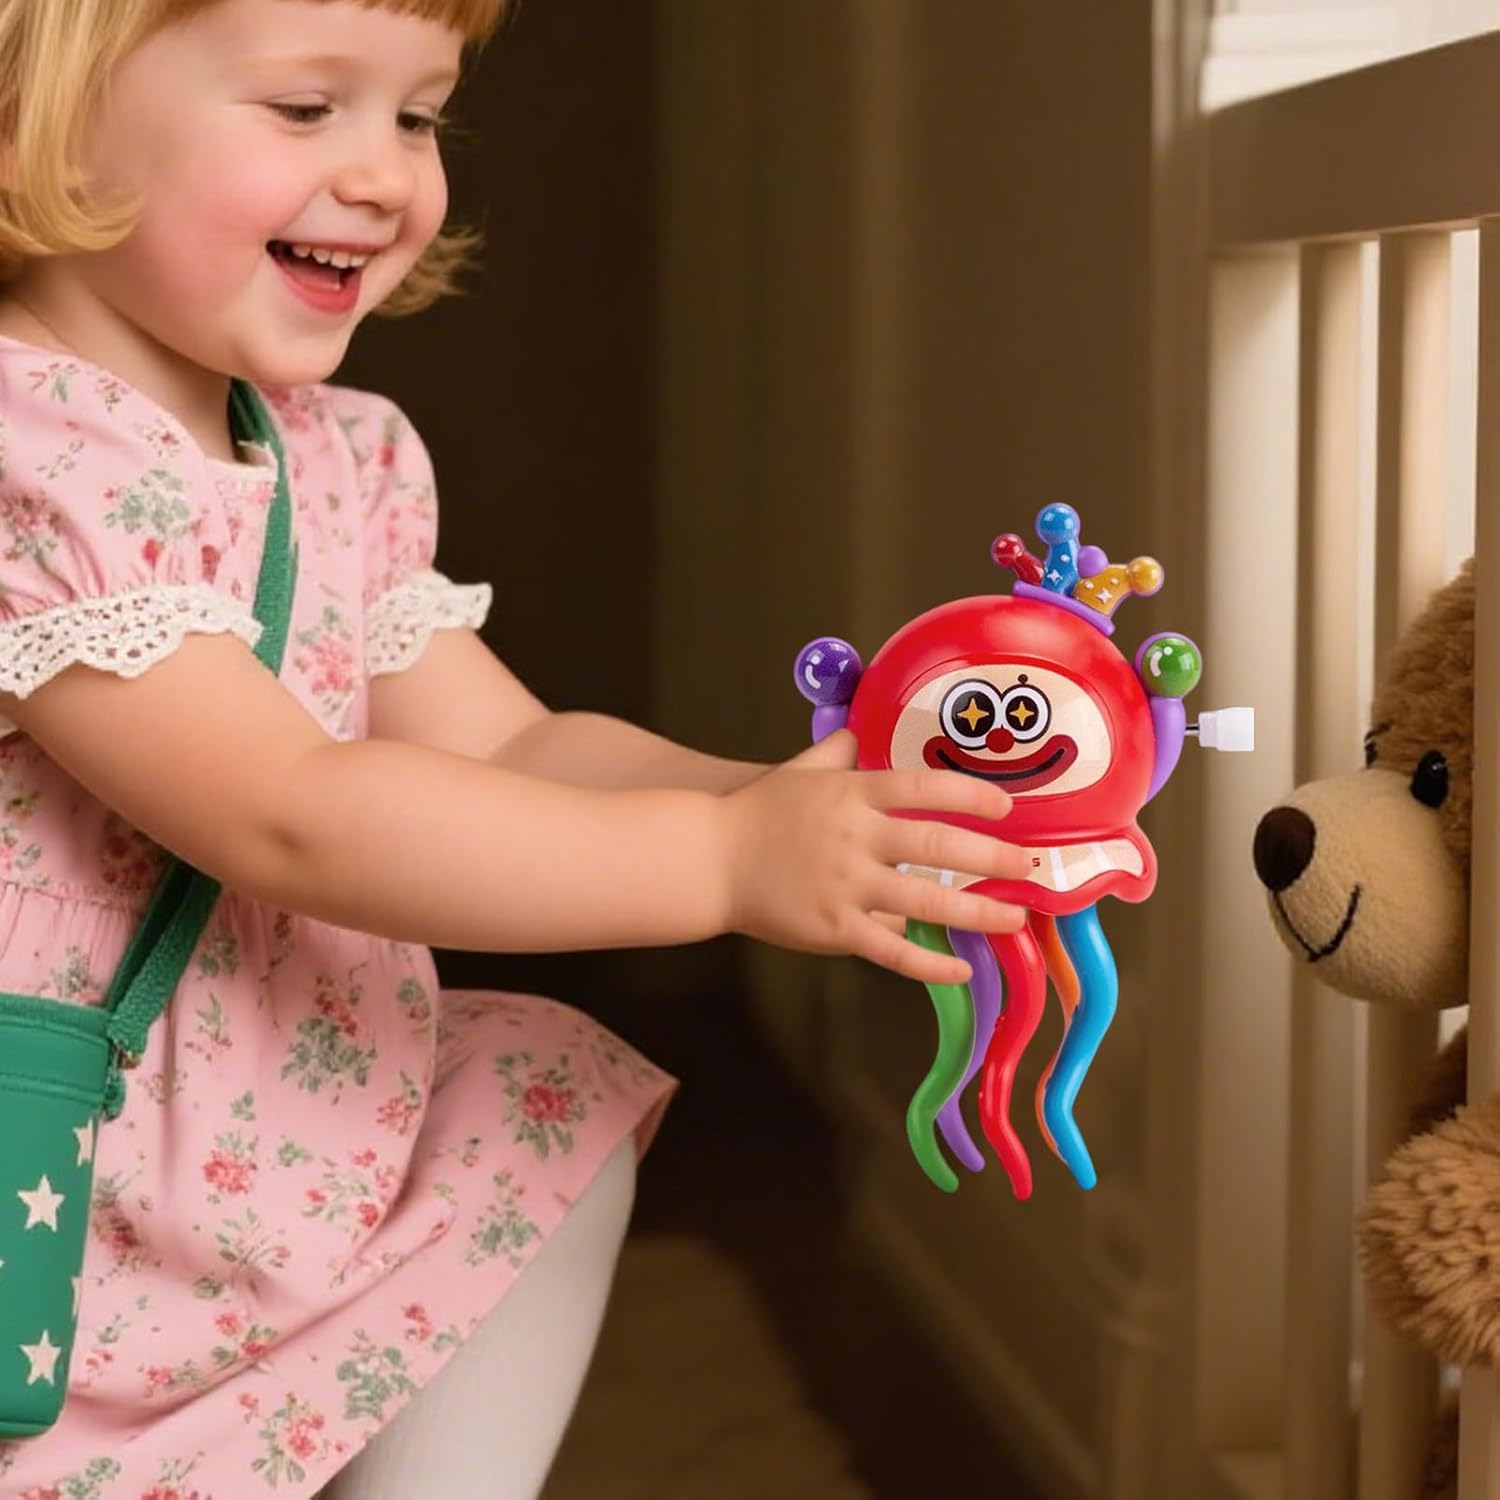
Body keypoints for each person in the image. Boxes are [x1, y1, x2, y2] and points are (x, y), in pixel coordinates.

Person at [0, 1, 1029, 1495]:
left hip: (261, 1142)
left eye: (418, 115)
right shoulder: (31, 456)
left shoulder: (331, 455)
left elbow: (518, 744)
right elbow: (287, 813)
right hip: (58, 1162)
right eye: (305, 108)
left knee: (539, 1097)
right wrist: (720, 860)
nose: (383, 175)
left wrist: (789, 806)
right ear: (34, 102)